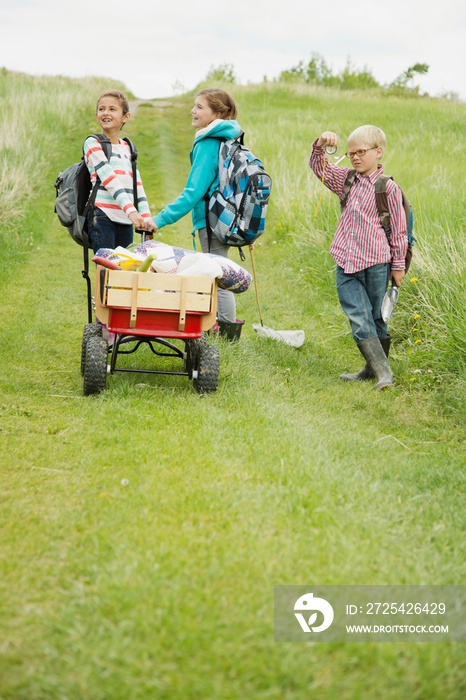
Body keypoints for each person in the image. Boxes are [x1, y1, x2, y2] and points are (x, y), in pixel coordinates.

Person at [309, 125, 408, 389]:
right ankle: (384, 373)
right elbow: (320, 169)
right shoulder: (347, 179)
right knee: (358, 314)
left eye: (361, 152)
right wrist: (320, 145)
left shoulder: (387, 188)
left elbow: (399, 231)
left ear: (378, 152)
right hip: (346, 260)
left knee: (377, 317)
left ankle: (371, 368)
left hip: (377, 263)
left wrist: (398, 266)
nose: (355, 157)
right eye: (351, 152)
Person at [152, 88, 242, 325]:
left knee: (215, 276)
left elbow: (193, 192)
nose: (193, 111)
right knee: (218, 270)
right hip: (226, 216)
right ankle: (221, 327)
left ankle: (225, 331)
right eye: (194, 105)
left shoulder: (208, 142)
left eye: (200, 107)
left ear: (217, 113)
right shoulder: (227, 136)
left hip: (211, 220)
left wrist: (159, 219)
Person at [84, 90, 156, 253]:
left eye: (112, 109)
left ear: (125, 117)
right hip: (102, 215)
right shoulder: (92, 143)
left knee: (125, 267)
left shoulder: (128, 147)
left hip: (124, 219)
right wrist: (131, 211)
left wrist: (145, 217)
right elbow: (110, 180)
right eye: (101, 109)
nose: (106, 113)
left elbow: (137, 185)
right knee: (106, 267)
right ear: (96, 115)